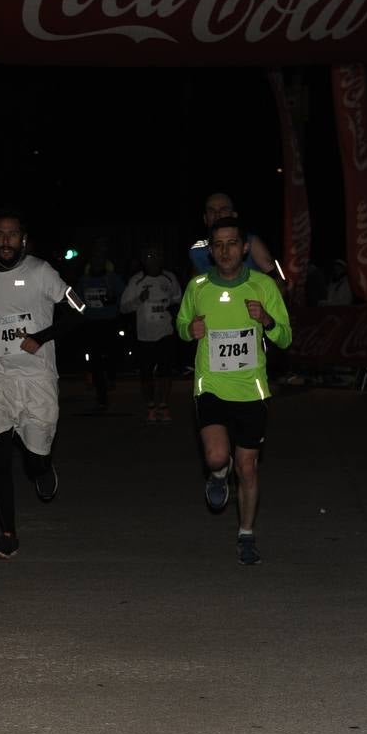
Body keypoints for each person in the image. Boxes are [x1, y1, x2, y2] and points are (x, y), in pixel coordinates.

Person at [0, 210, 84, 560]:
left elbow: (79, 309)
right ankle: (7, 533)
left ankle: (42, 466)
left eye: (13, 235)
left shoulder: (42, 272)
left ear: (23, 239)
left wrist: (42, 337)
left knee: (34, 458)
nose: (6, 241)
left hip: (37, 378)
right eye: (0, 234)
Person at [176, 216, 292, 565]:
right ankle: (216, 474)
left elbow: (285, 337)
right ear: (211, 251)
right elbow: (181, 325)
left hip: (251, 390)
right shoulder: (196, 287)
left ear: (244, 248)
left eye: (232, 243)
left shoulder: (264, 287)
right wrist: (189, 330)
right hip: (210, 385)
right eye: (219, 244)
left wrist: (267, 321)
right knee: (216, 457)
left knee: (249, 467)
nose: (226, 250)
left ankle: (245, 535)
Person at [119, 242, 181, 422]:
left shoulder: (169, 278)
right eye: (149, 256)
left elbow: (178, 299)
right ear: (143, 260)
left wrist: (171, 308)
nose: (153, 260)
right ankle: (151, 406)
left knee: (166, 372)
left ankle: (164, 405)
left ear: (162, 259)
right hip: (145, 335)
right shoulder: (136, 281)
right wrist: (139, 300)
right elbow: (123, 307)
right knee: (146, 374)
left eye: (156, 256)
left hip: (166, 332)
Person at [74, 237, 126, 411]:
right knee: (95, 360)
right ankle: (101, 397)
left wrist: (114, 300)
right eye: (94, 259)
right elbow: (76, 300)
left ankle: (111, 377)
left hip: (110, 322)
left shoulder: (112, 278)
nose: (97, 262)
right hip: (92, 324)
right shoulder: (84, 280)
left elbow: (125, 297)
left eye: (100, 259)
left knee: (112, 355)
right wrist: (81, 310)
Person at [188, 192, 278, 278]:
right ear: (205, 218)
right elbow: (195, 284)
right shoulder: (197, 250)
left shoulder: (250, 242)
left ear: (234, 215)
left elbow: (275, 277)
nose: (217, 215)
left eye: (223, 209)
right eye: (211, 211)